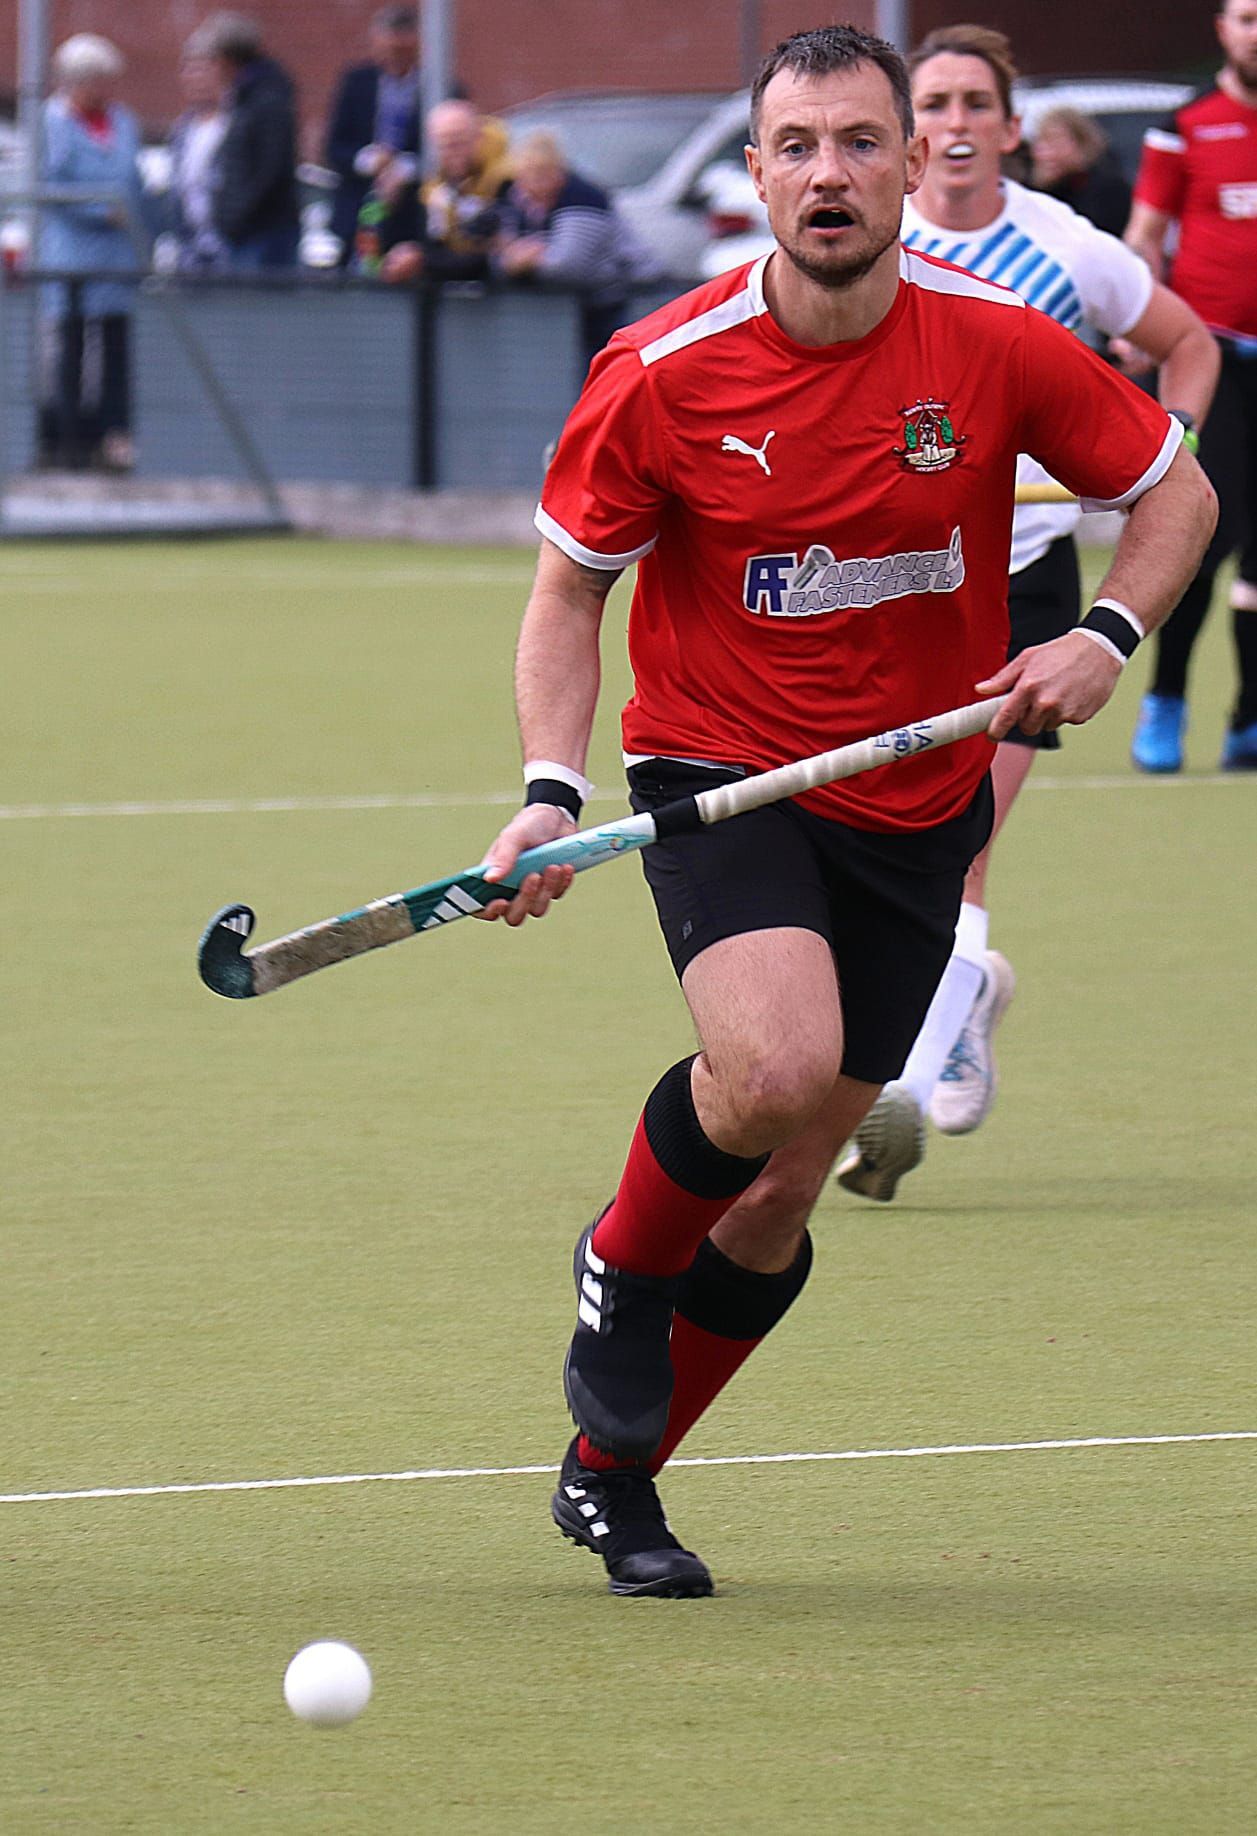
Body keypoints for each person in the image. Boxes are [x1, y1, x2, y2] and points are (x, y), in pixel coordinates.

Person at [472, 25, 1215, 1597]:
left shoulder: (995, 345)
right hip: (721, 773)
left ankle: (613, 1479)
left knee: (785, 1186)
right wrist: (546, 789)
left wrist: (1104, 635)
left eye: (861, 143)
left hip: (915, 800)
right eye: (798, 146)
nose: (830, 174)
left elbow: (1176, 490)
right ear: (754, 176)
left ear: (913, 164)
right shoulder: (661, 370)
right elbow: (568, 590)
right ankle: (620, 1260)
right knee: (775, 1067)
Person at [836, 23, 1219, 1202]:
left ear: (1012, 128)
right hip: (894, 581)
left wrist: (1165, 455)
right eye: (935, 105)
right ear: (908, 137)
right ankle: (966, 994)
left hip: (1022, 586)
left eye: (975, 104)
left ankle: (900, 1085)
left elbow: (1187, 347)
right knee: (865, 844)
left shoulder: (1067, 248)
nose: (955, 125)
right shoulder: (867, 248)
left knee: (960, 844)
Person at [1125, 0, 1257, 772]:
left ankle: (1248, 718)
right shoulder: (1185, 125)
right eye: (1246, 18)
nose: (1256, 33)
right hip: (1211, 359)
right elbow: (1144, 236)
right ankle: (1165, 699)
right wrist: (1134, 317)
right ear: (1222, 30)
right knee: (1205, 533)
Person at [38, 33, 144, 472]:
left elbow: (134, 179)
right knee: (72, 350)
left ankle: (113, 436)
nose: (105, 89)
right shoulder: (51, 122)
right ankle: (68, 443)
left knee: (117, 347)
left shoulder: (123, 120)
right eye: (97, 80)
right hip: (72, 257)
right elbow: (50, 185)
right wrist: (100, 209)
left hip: (118, 256)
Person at [494, 132, 662, 370]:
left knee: (611, 370)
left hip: (618, 301)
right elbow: (497, 260)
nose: (534, 183)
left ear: (559, 173)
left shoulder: (583, 198)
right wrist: (521, 258)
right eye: (527, 176)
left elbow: (567, 266)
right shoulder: (517, 201)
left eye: (543, 174)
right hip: (574, 310)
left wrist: (527, 259)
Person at [192, 12, 299, 271]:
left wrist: (236, 217)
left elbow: (269, 169)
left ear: (226, 59)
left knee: (257, 297)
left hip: (262, 233)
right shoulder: (248, 96)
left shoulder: (266, 99)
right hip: (251, 231)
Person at [324, 6, 423, 268]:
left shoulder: (436, 85)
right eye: (389, 50)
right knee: (360, 272)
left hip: (411, 215)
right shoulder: (357, 82)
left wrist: (403, 170)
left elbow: (442, 155)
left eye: (402, 52)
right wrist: (370, 160)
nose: (395, 59)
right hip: (360, 208)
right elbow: (335, 147)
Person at [377, 100, 512, 286]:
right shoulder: (432, 188)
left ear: (478, 138)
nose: (452, 152)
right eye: (444, 145)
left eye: (459, 141)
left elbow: (488, 256)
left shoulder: (504, 182)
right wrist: (391, 204)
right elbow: (415, 242)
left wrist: (423, 262)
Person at [165, 44, 230, 272]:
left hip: (228, 243)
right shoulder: (182, 129)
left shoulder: (234, 123)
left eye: (202, 69)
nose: (195, 78)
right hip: (191, 245)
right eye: (189, 70)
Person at [1030, 106, 1131, 239]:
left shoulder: (1109, 191)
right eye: (1041, 142)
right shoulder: (1034, 196)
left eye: (1056, 142)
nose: (1046, 153)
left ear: (1082, 144)